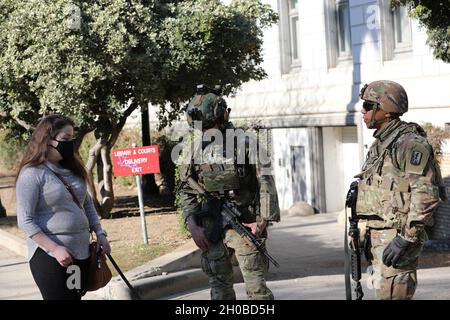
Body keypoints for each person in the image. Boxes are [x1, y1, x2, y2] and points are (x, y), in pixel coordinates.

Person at [179, 85, 280, 300]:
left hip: (245, 224)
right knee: (219, 289)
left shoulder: (245, 144)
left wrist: (261, 222)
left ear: (221, 118)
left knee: (257, 291)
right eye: (202, 128)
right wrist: (193, 226)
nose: (205, 133)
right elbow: (186, 190)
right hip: (211, 229)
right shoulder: (194, 150)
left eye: (208, 126)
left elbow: (266, 183)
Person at [355, 80, 447, 300]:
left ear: (385, 110)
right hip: (379, 236)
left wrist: (407, 238)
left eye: (368, 105)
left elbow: (425, 194)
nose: (363, 110)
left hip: (397, 237)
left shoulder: (409, 144)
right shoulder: (382, 144)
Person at [16, 114, 111, 300]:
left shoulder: (73, 170)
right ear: (48, 141)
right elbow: (25, 220)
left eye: (72, 138)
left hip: (81, 255)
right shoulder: (32, 174)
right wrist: (54, 248)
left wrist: (100, 233)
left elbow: (87, 205)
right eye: (65, 139)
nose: (71, 143)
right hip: (51, 258)